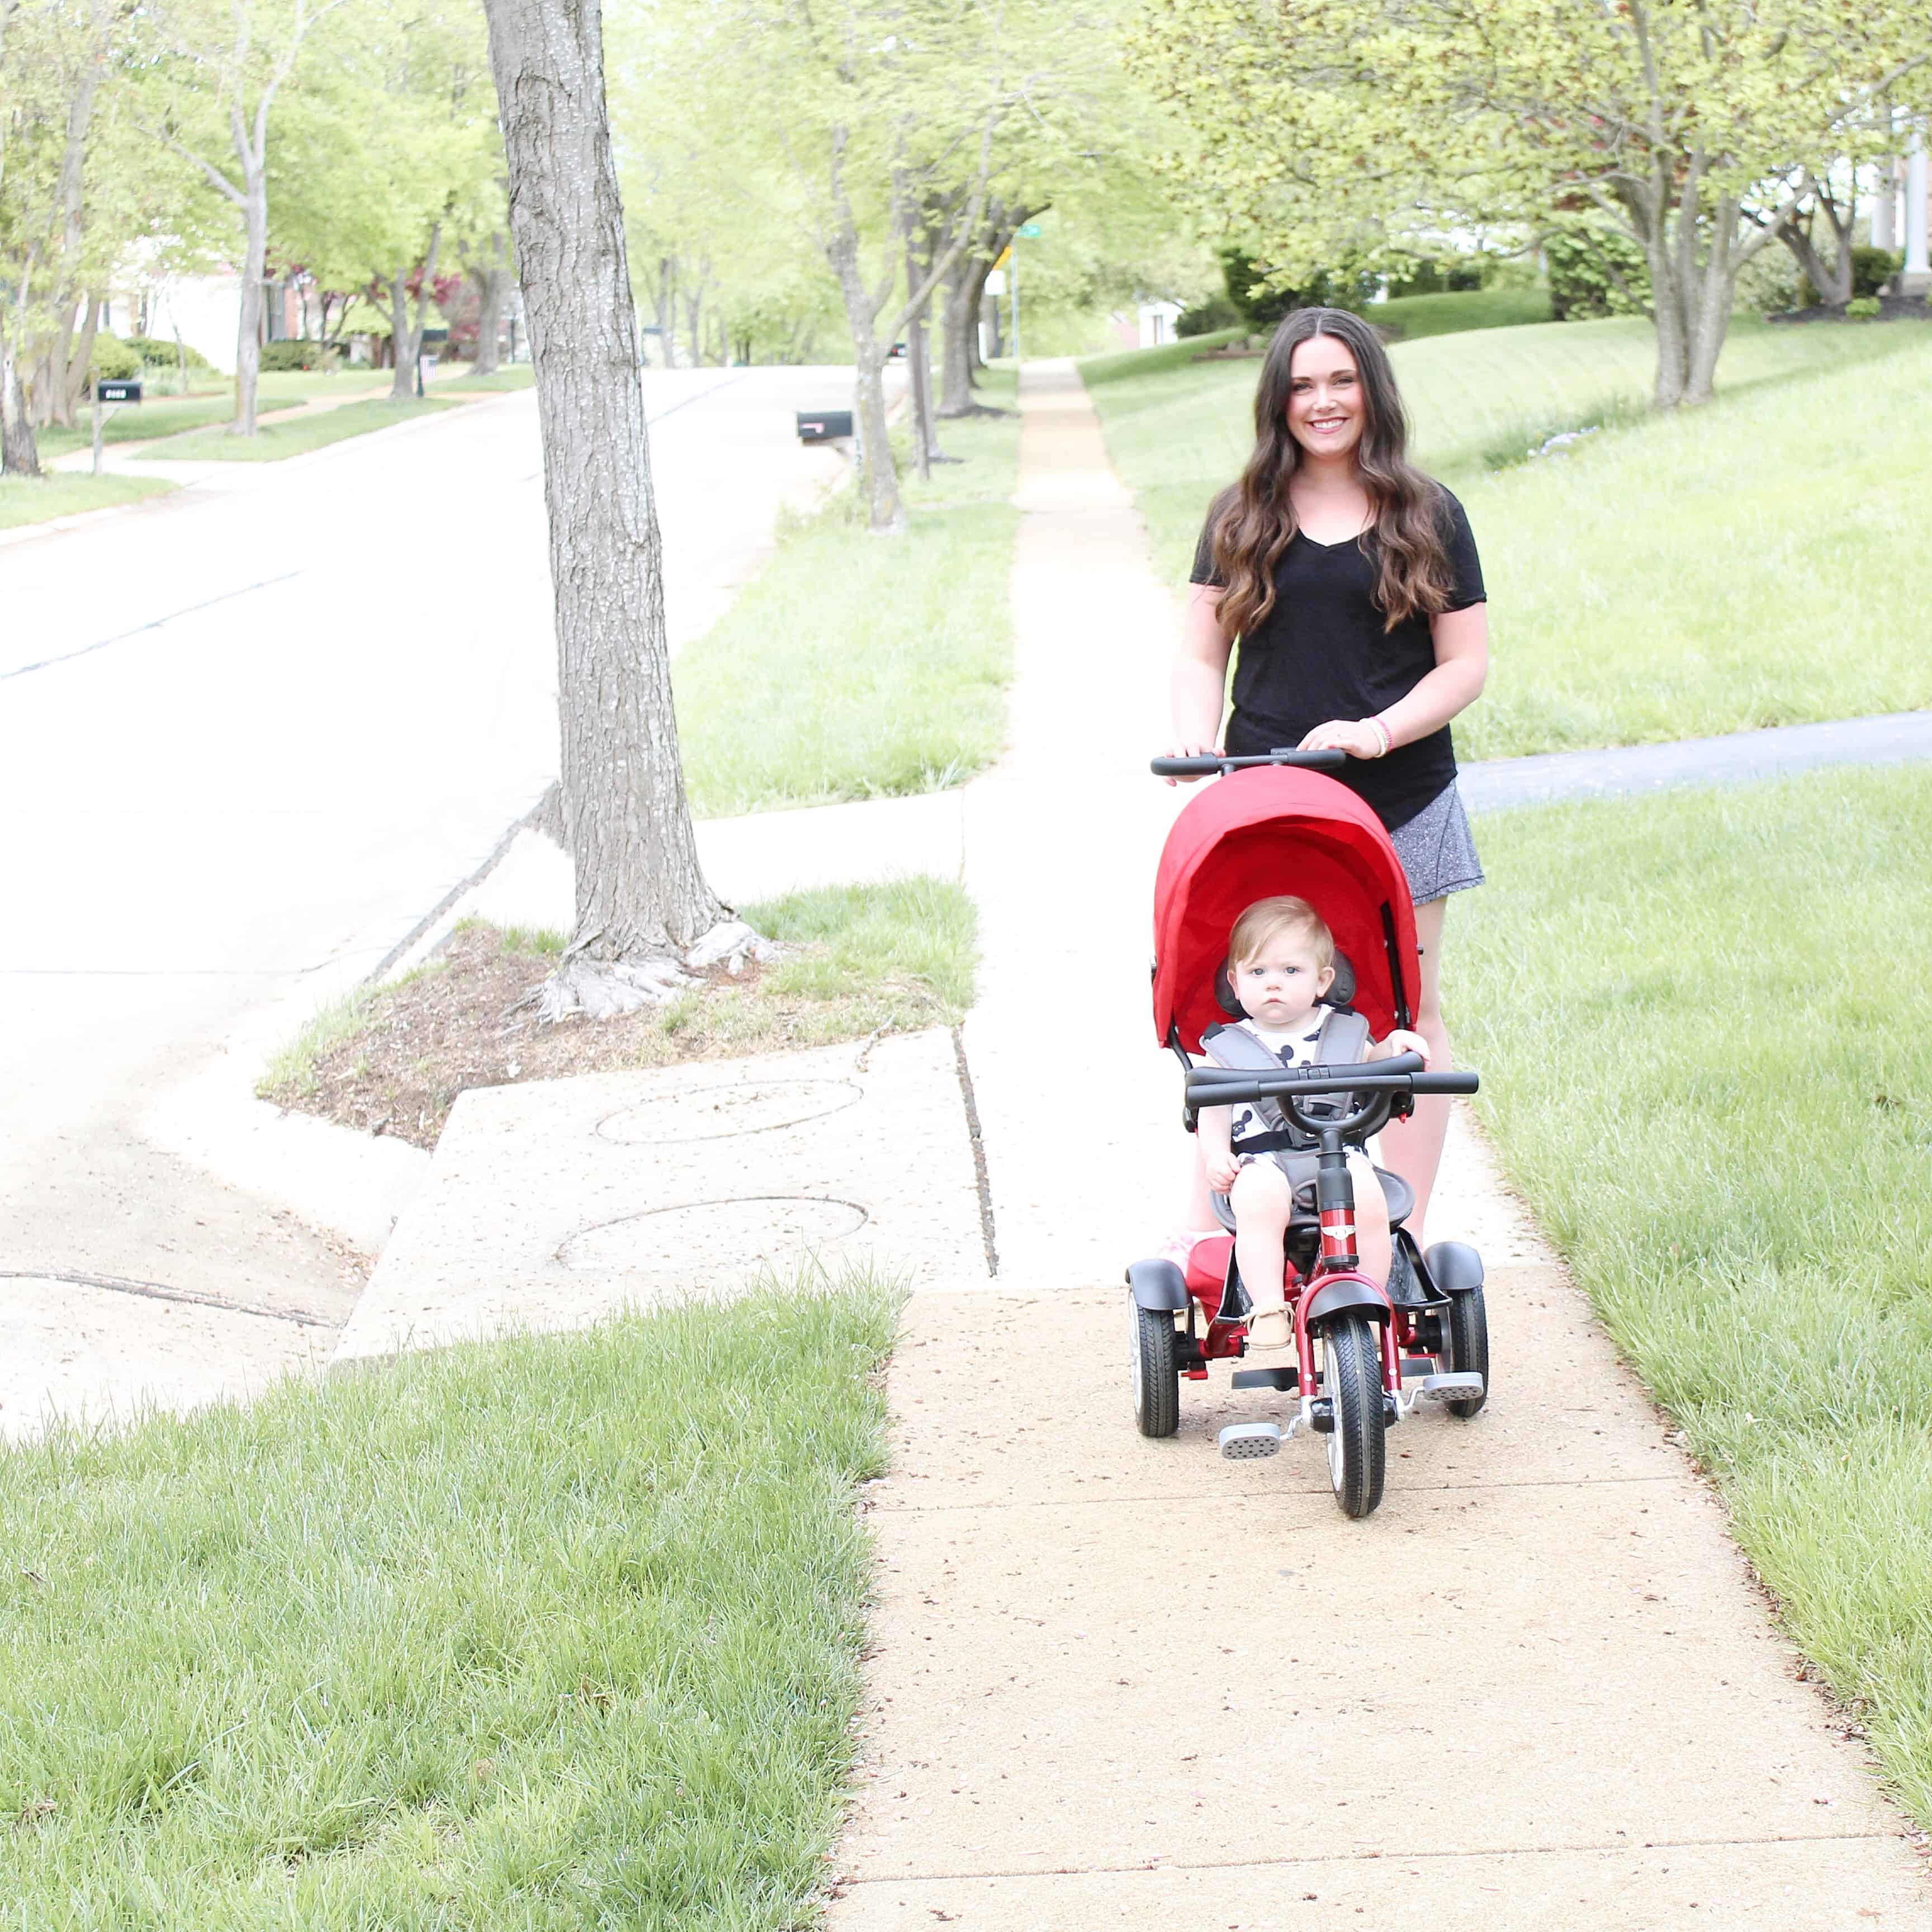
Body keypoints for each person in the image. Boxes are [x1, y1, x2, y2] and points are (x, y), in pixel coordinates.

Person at [1164, 305, 1488, 1251]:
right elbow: (1197, 653)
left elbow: (1465, 664)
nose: (1322, 401)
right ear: (1279, 401)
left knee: (1404, 1016)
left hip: (1404, 796)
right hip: (1273, 804)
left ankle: (1397, 1239)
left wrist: (1377, 732)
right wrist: (1196, 755)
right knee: (1251, 1009)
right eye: (1302, 385)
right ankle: (1226, 1234)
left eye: (1339, 381)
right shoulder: (1241, 515)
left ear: (1370, 390)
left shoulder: (1427, 512)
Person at [1196, 896, 1430, 1347]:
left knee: (1369, 1196)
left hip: (1337, 1152)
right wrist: (1216, 1155)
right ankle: (1266, 1305)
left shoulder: (1342, 1032)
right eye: (1258, 973)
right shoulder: (1227, 1048)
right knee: (1258, 1203)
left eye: (1291, 971)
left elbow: (1374, 1062)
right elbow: (1213, 1108)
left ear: (1324, 980)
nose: (1274, 985)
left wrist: (1394, 1046)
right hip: (1262, 1159)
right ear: (1235, 982)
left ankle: (1372, 1293)